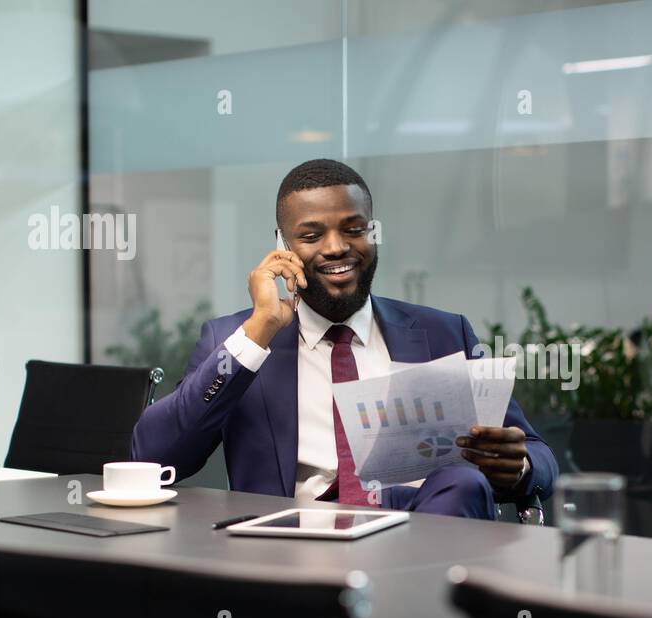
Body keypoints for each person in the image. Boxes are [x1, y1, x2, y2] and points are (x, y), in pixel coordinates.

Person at [132, 159, 556, 520]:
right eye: (311, 235)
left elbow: (538, 455)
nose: (336, 248)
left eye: (353, 229)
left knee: (462, 480)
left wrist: (515, 468)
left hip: (422, 543)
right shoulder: (237, 342)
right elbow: (154, 457)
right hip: (289, 556)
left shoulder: (444, 333)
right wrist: (259, 330)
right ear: (282, 246)